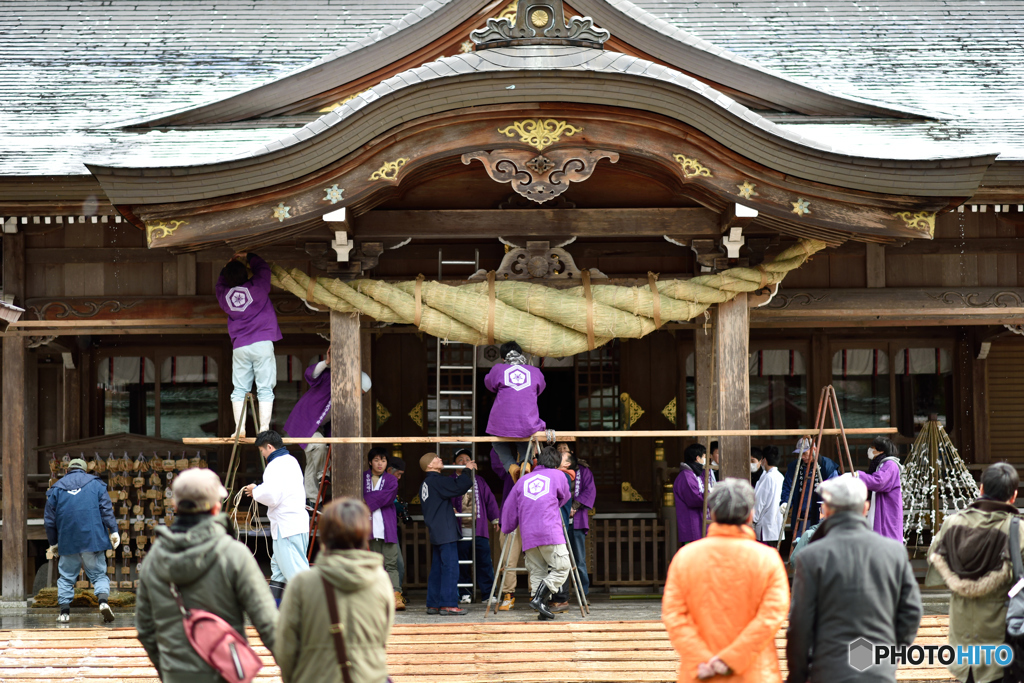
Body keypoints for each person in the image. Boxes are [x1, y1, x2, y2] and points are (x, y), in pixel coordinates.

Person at [136, 469, 277, 683]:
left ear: (175, 506)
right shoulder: (234, 554)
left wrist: (168, 671)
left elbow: (145, 629)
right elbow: (269, 625)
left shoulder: (153, 560)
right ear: (216, 507)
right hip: (225, 673)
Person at [787, 475, 922, 683]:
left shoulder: (811, 556)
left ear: (827, 510)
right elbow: (911, 612)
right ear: (865, 508)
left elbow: (800, 624)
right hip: (879, 670)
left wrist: (798, 675)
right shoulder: (893, 552)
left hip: (829, 670)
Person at [663, 479, 790, 682]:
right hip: (753, 671)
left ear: (712, 513)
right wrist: (730, 660)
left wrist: (704, 660)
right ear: (750, 514)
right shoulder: (768, 558)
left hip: (701, 672)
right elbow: (771, 616)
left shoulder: (685, 557)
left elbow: (674, 616)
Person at [276, 497, 394, 683]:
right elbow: (381, 638)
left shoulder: (302, 583)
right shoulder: (380, 580)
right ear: (364, 534)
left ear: (325, 535)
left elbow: (285, 647)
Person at [927, 462, 1024, 683]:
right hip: (1001, 639)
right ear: (1013, 496)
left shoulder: (951, 524)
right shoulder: (1017, 530)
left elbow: (935, 566)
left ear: (981, 489)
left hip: (962, 638)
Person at [283, 348, 373, 506]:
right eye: (359, 391)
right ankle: (321, 474)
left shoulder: (347, 401)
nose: (359, 395)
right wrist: (326, 363)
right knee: (318, 446)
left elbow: (334, 425)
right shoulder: (331, 378)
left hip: (318, 428)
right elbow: (310, 375)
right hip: (304, 422)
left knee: (314, 457)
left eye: (362, 394)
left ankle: (310, 499)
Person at [44, 457, 119, 623]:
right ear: (85, 470)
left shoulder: (56, 489)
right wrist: (114, 531)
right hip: (93, 541)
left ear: (67, 470)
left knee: (66, 578)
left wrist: (53, 542)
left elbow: (49, 520)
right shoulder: (96, 484)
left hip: (68, 541)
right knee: (99, 575)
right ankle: (103, 603)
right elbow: (106, 510)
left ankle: (64, 613)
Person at [501, 446, 571, 621]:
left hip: (529, 535)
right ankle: (539, 599)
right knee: (562, 567)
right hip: (550, 532)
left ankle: (542, 610)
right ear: (555, 463)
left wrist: (507, 527)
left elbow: (510, 507)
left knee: (538, 572)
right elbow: (565, 497)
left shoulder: (523, 480)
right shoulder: (558, 475)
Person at [216, 252, 281, 435]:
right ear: (246, 274)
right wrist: (250, 256)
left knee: (239, 389)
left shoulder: (225, 297)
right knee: (265, 388)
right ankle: (264, 429)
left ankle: (239, 429)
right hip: (262, 342)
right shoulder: (258, 287)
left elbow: (219, 285)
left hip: (240, 346)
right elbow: (264, 269)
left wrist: (225, 268)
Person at [244, 430, 310, 603]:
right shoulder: (291, 461)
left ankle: (316, 613)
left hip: (286, 526)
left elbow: (273, 496)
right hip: (295, 524)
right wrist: (259, 490)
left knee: (297, 573)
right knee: (279, 571)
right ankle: (276, 614)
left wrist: (255, 490)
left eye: (262, 451)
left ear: (269, 447)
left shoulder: (275, 465)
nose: (263, 454)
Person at [419, 451, 475, 616]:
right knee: (450, 567)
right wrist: (467, 469)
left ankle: (434, 603)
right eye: (436, 458)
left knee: (437, 568)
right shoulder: (437, 481)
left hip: (436, 529)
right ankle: (449, 604)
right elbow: (460, 486)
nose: (440, 459)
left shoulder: (426, 483)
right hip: (445, 529)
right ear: (430, 465)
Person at [485, 341, 545, 479]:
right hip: (528, 422)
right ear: (521, 354)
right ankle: (526, 464)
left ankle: (511, 467)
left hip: (501, 423)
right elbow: (540, 389)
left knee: (497, 441)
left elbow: (489, 385)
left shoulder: (498, 369)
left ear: (502, 358)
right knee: (525, 439)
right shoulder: (535, 371)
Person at [451, 449, 500, 604]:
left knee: (484, 563)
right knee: (462, 563)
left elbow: (490, 499)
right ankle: (464, 593)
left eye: (468, 459)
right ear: (453, 465)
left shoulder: (479, 480)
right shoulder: (451, 481)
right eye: (460, 460)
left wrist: (495, 519)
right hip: (459, 530)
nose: (465, 462)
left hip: (478, 530)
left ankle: (487, 594)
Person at [363, 447, 403, 611]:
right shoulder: (362, 476)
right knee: (372, 564)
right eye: (377, 460)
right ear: (370, 462)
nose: (380, 463)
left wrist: (366, 499)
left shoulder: (391, 480)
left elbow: (389, 496)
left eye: (383, 460)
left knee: (391, 564)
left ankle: (396, 597)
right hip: (368, 527)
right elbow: (355, 494)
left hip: (387, 527)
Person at [780, 436, 839, 541]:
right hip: (800, 516)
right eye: (800, 454)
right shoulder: (795, 466)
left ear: (814, 450)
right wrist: (785, 501)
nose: (802, 457)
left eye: (805, 453)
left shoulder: (827, 466)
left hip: (821, 517)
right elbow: (787, 486)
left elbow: (836, 489)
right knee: (799, 546)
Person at [489, 447, 523, 611]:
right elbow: (498, 461)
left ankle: (537, 595)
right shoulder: (512, 467)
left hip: (532, 516)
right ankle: (508, 595)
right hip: (510, 515)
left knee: (537, 559)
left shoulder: (537, 461)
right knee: (508, 558)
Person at [854, 435, 904, 542]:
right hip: (884, 507)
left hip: (887, 509)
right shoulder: (882, 464)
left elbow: (879, 481)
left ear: (881, 451)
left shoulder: (890, 464)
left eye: (873, 448)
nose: (870, 450)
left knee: (887, 539)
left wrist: (859, 475)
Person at [567, 446, 595, 598]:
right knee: (559, 560)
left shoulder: (584, 471)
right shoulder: (554, 472)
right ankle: (560, 596)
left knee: (580, 560)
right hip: (559, 521)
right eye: (559, 449)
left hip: (577, 520)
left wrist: (574, 506)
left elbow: (589, 491)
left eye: (565, 449)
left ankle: (582, 594)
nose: (562, 451)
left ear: (571, 454)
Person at [674, 443, 707, 546]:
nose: (705, 461)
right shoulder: (686, 476)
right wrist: (714, 497)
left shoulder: (693, 474)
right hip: (692, 523)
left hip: (697, 522)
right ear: (697, 458)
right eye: (704, 457)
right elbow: (695, 499)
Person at [386, 456, 409, 601]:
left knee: (397, 565)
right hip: (380, 531)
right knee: (393, 565)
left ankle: (396, 596)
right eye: (398, 474)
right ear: (389, 470)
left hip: (392, 530)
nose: (399, 478)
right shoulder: (380, 483)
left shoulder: (392, 485)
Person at [752, 446, 784, 545]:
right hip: (776, 523)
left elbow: (760, 501)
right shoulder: (780, 476)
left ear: (764, 460)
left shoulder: (768, 477)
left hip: (765, 525)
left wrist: (753, 519)